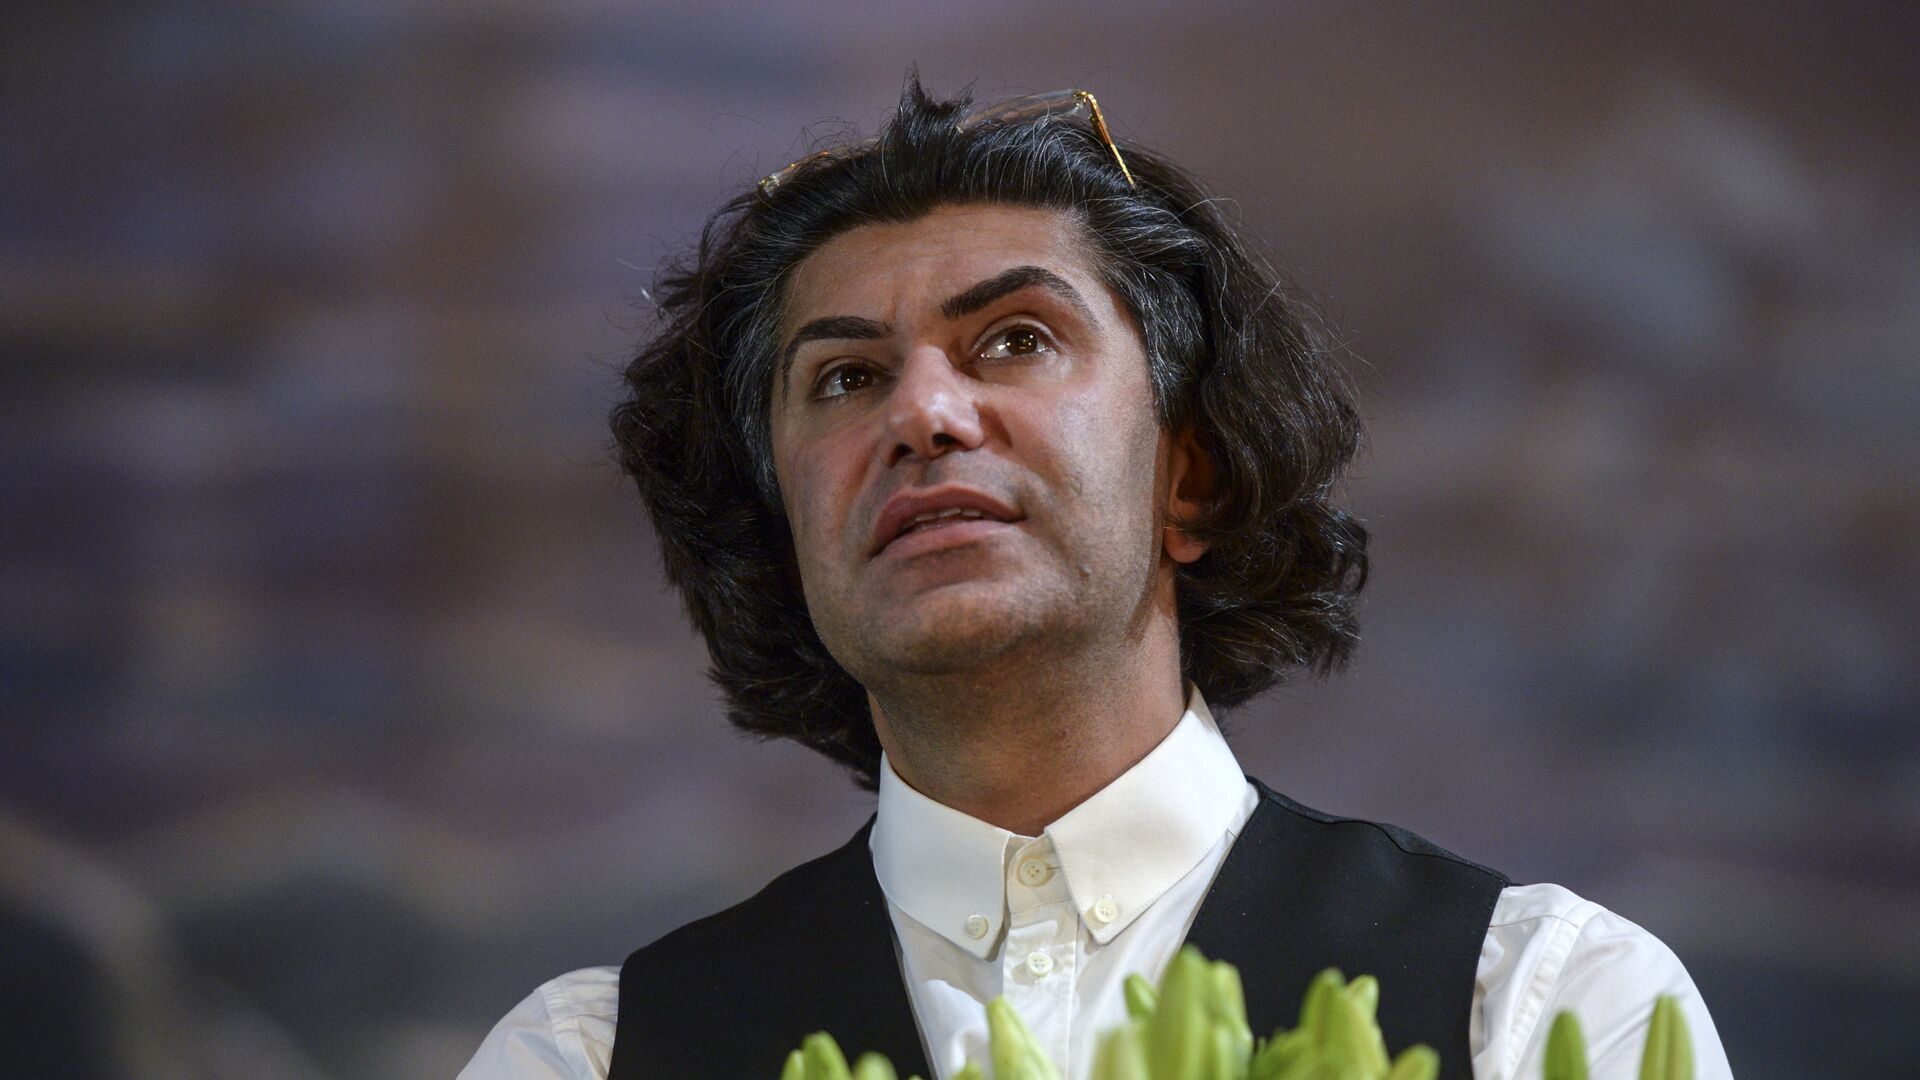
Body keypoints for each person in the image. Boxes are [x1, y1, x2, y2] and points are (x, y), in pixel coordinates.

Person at [460, 81, 1733, 1080]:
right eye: (844, 378)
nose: (924, 413)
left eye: (1015, 339)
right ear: (783, 532)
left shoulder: (1544, 1008)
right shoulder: (589, 1058)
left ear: (1193, 474)